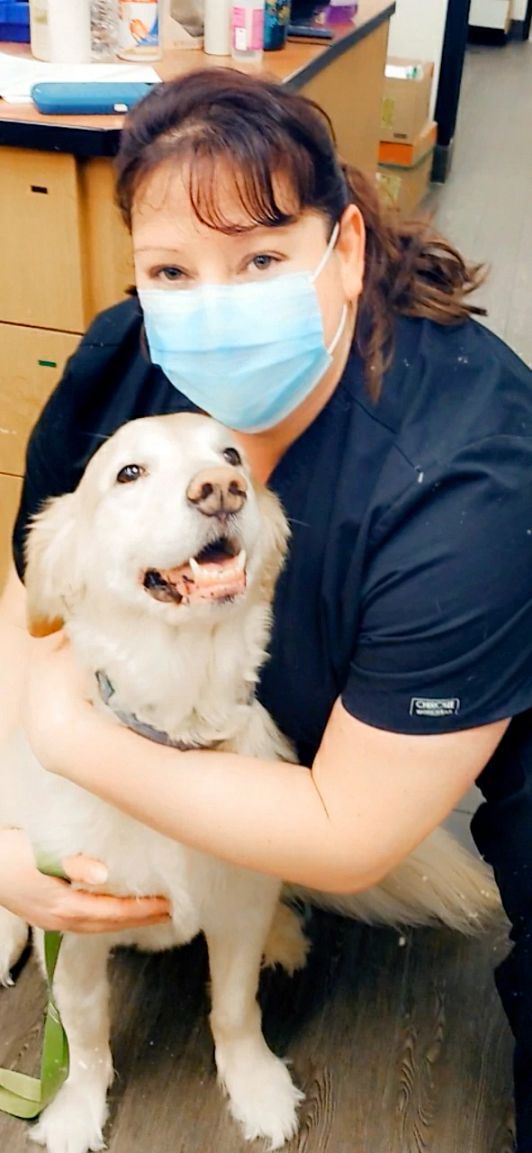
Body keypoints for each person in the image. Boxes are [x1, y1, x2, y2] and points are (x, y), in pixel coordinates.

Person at [1, 67, 531, 1148]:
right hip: (202, 723)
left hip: (403, 748)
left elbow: (350, 834)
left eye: (259, 257)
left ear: (346, 252)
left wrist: (64, 735)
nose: (211, 301)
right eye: (171, 269)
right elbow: (31, 595)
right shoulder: (119, 363)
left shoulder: (466, 479)